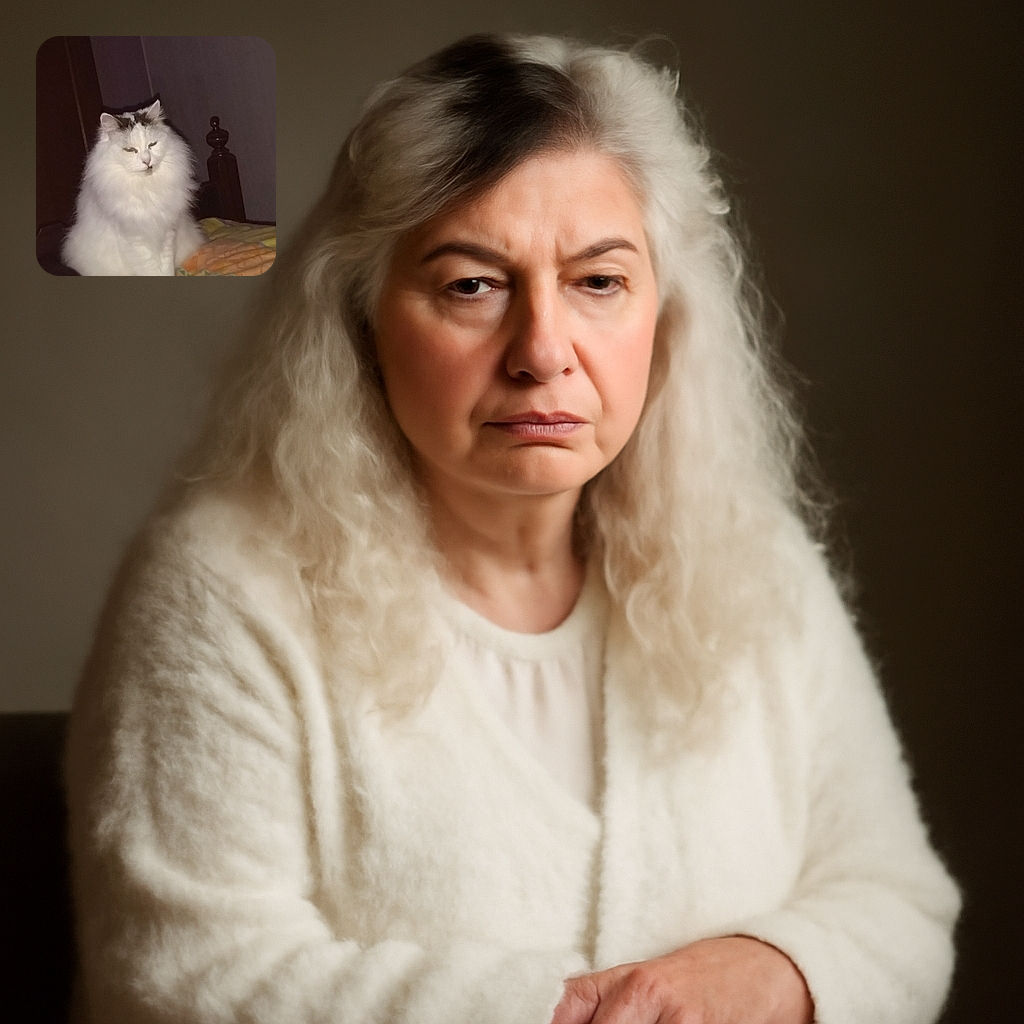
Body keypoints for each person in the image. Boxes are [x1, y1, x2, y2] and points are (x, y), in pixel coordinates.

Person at [66, 33, 959, 1024]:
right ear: (360, 317)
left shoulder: (759, 564)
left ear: (665, 316)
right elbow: (186, 979)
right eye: (471, 283)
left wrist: (772, 970)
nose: (542, 351)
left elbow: (900, 902)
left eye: (599, 281)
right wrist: (615, 1011)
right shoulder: (220, 585)